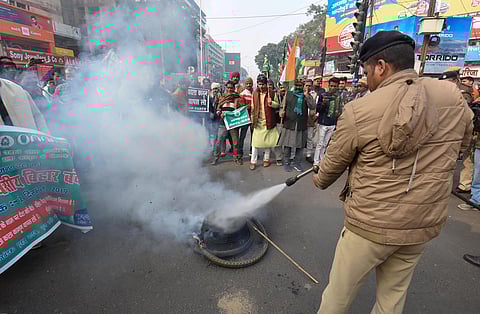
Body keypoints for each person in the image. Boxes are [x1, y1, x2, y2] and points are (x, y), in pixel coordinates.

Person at [312, 31, 473, 314]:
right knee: (392, 299)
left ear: (382, 66)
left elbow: (329, 171)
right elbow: (463, 141)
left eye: (366, 71)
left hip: (370, 225)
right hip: (420, 223)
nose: (365, 79)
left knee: (337, 297)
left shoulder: (359, 110)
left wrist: (319, 175)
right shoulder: (452, 95)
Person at [278, 78, 315, 172]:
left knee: (300, 145)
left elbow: (312, 106)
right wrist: (281, 112)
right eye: (297, 85)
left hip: (301, 124)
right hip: (289, 123)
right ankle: (287, 162)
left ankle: (297, 162)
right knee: (287, 145)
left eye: (300, 86)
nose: (298, 87)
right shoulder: (289, 94)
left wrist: (307, 96)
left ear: (303, 86)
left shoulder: (307, 96)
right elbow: (283, 106)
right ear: (294, 85)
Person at [249, 75, 280, 170]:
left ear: (266, 84)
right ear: (257, 84)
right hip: (258, 122)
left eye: (263, 84)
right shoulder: (254, 94)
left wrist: (272, 103)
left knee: (268, 142)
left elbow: (277, 105)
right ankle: (253, 161)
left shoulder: (272, 93)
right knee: (255, 144)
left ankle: (266, 159)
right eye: (259, 84)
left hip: (269, 121)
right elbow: (252, 107)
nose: (261, 86)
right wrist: (252, 118)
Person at [211, 80, 241, 165]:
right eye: (228, 87)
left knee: (235, 142)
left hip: (233, 123)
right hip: (223, 123)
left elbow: (240, 111)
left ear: (234, 88)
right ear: (225, 88)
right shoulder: (222, 97)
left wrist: (236, 114)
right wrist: (220, 113)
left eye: (231, 88)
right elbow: (218, 109)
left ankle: (236, 158)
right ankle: (216, 158)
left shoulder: (237, 98)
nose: (229, 89)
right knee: (218, 141)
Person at [313, 77, 341, 166]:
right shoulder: (323, 95)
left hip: (332, 123)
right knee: (320, 143)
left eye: (335, 86)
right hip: (323, 123)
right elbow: (318, 109)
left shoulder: (338, 97)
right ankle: (316, 162)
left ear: (337, 87)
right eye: (331, 86)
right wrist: (323, 104)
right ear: (328, 86)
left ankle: (322, 160)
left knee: (326, 144)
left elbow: (340, 109)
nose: (333, 88)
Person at [238, 77, 254, 162]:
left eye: (250, 83)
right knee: (242, 136)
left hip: (253, 118)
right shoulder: (242, 94)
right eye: (247, 83)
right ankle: (240, 154)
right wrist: (250, 106)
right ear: (245, 84)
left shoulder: (254, 93)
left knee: (253, 136)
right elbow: (242, 107)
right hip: (245, 118)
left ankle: (252, 153)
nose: (248, 85)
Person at [304, 79, 317, 164]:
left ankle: (308, 155)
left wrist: (307, 96)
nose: (308, 87)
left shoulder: (313, 95)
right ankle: (293, 155)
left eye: (309, 85)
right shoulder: (299, 94)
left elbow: (313, 106)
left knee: (309, 138)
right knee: (298, 138)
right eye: (306, 85)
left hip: (310, 120)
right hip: (301, 120)